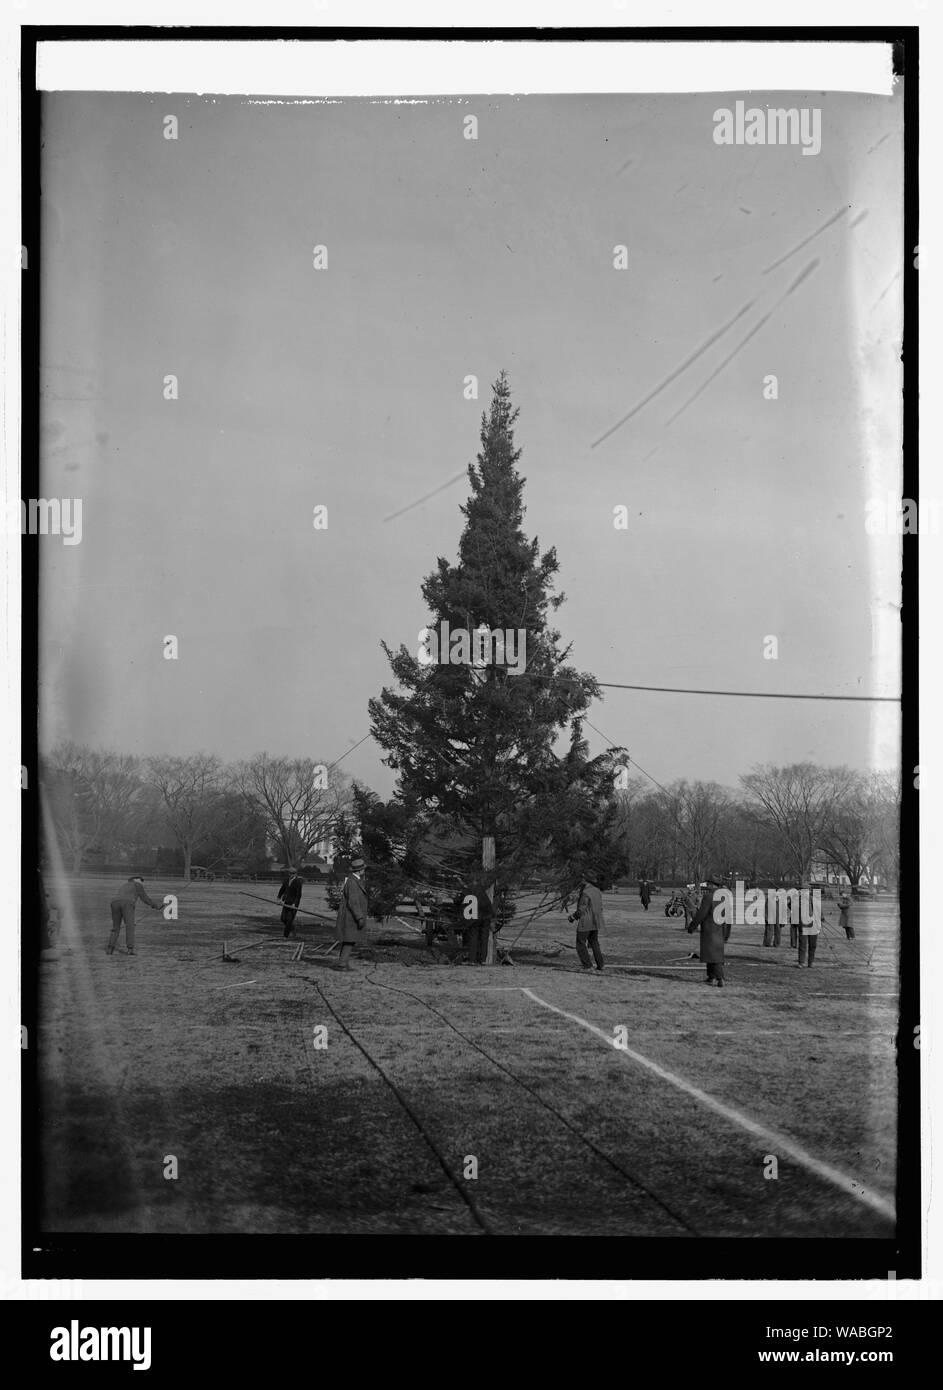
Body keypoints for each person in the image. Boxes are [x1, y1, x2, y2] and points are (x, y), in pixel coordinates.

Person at [688, 873, 731, 986]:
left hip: (710, 929)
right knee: (711, 953)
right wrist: (727, 933)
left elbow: (702, 914)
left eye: (708, 883)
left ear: (713, 885)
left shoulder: (709, 896)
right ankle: (711, 976)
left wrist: (692, 926)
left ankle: (720, 978)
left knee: (713, 955)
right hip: (721, 929)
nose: (706, 885)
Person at [107, 876, 163, 956]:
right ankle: (130, 950)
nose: (142, 882)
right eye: (141, 880)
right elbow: (144, 898)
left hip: (114, 903)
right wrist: (156, 905)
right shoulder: (137, 884)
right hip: (127, 903)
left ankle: (110, 949)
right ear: (135, 880)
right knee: (130, 926)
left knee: (116, 927)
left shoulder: (124, 885)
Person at [569, 868, 605, 972]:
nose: (582, 880)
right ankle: (601, 964)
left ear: (587, 880)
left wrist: (573, 917)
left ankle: (588, 966)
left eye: (583, 878)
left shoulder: (586, 892)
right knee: (594, 942)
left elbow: (582, 909)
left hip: (586, 921)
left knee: (580, 943)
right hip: (596, 920)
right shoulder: (597, 891)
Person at [335, 857, 367, 971]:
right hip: (351, 916)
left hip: (350, 915)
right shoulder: (353, 882)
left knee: (349, 940)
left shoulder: (353, 880)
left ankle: (343, 962)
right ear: (360, 871)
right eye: (363, 869)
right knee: (349, 940)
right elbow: (353, 902)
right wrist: (359, 917)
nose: (364, 871)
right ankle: (342, 964)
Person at [460, 880, 495, 965]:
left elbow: (459, 902)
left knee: (473, 937)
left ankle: (472, 960)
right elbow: (487, 904)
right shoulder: (481, 889)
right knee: (484, 938)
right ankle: (483, 960)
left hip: (475, 916)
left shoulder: (466, 891)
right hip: (486, 916)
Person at [277, 867, 304, 938]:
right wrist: (279, 898)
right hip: (286, 902)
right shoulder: (286, 881)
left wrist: (295, 904)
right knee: (283, 919)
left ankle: (285, 936)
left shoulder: (298, 882)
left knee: (289, 920)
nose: (290, 875)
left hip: (293, 904)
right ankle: (292, 928)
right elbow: (282, 890)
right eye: (289, 873)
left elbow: (299, 894)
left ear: (295, 874)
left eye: (292, 873)